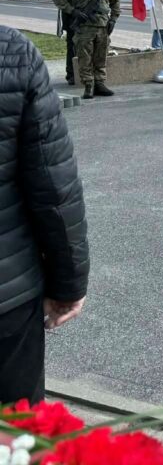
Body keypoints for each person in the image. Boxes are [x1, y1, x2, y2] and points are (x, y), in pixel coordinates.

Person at [0, 26, 89, 404]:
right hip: (8, 298)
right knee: (14, 428)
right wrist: (68, 284)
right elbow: (54, 187)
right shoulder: (12, 52)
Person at [53, 0, 120, 100]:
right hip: (84, 27)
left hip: (102, 25)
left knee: (101, 56)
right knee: (84, 58)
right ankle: (88, 85)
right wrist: (73, 11)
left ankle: (100, 83)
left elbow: (115, 1)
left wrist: (113, 19)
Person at [60, 0, 82, 85]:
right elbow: (61, 1)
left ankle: (82, 72)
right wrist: (73, 11)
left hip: (82, 20)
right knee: (72, 48)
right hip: (71, 21)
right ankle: (71, 74)